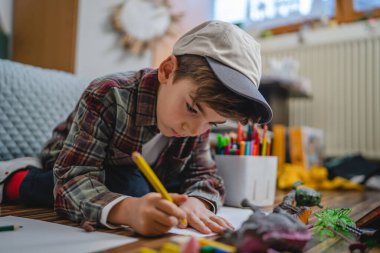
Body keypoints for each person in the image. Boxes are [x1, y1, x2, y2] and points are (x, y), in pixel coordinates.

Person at [0, 20, 272, 236]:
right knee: (134, 187)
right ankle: (17, 181)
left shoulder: (196, 124)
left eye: (211, 123)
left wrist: (196, 202)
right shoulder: (109, 93)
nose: (194, 129)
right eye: (191, 108)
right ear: (167, 70)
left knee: (168, 193)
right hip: (72, 160)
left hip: (150, 173)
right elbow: (73, 176)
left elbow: (206, 176)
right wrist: (129, 211)